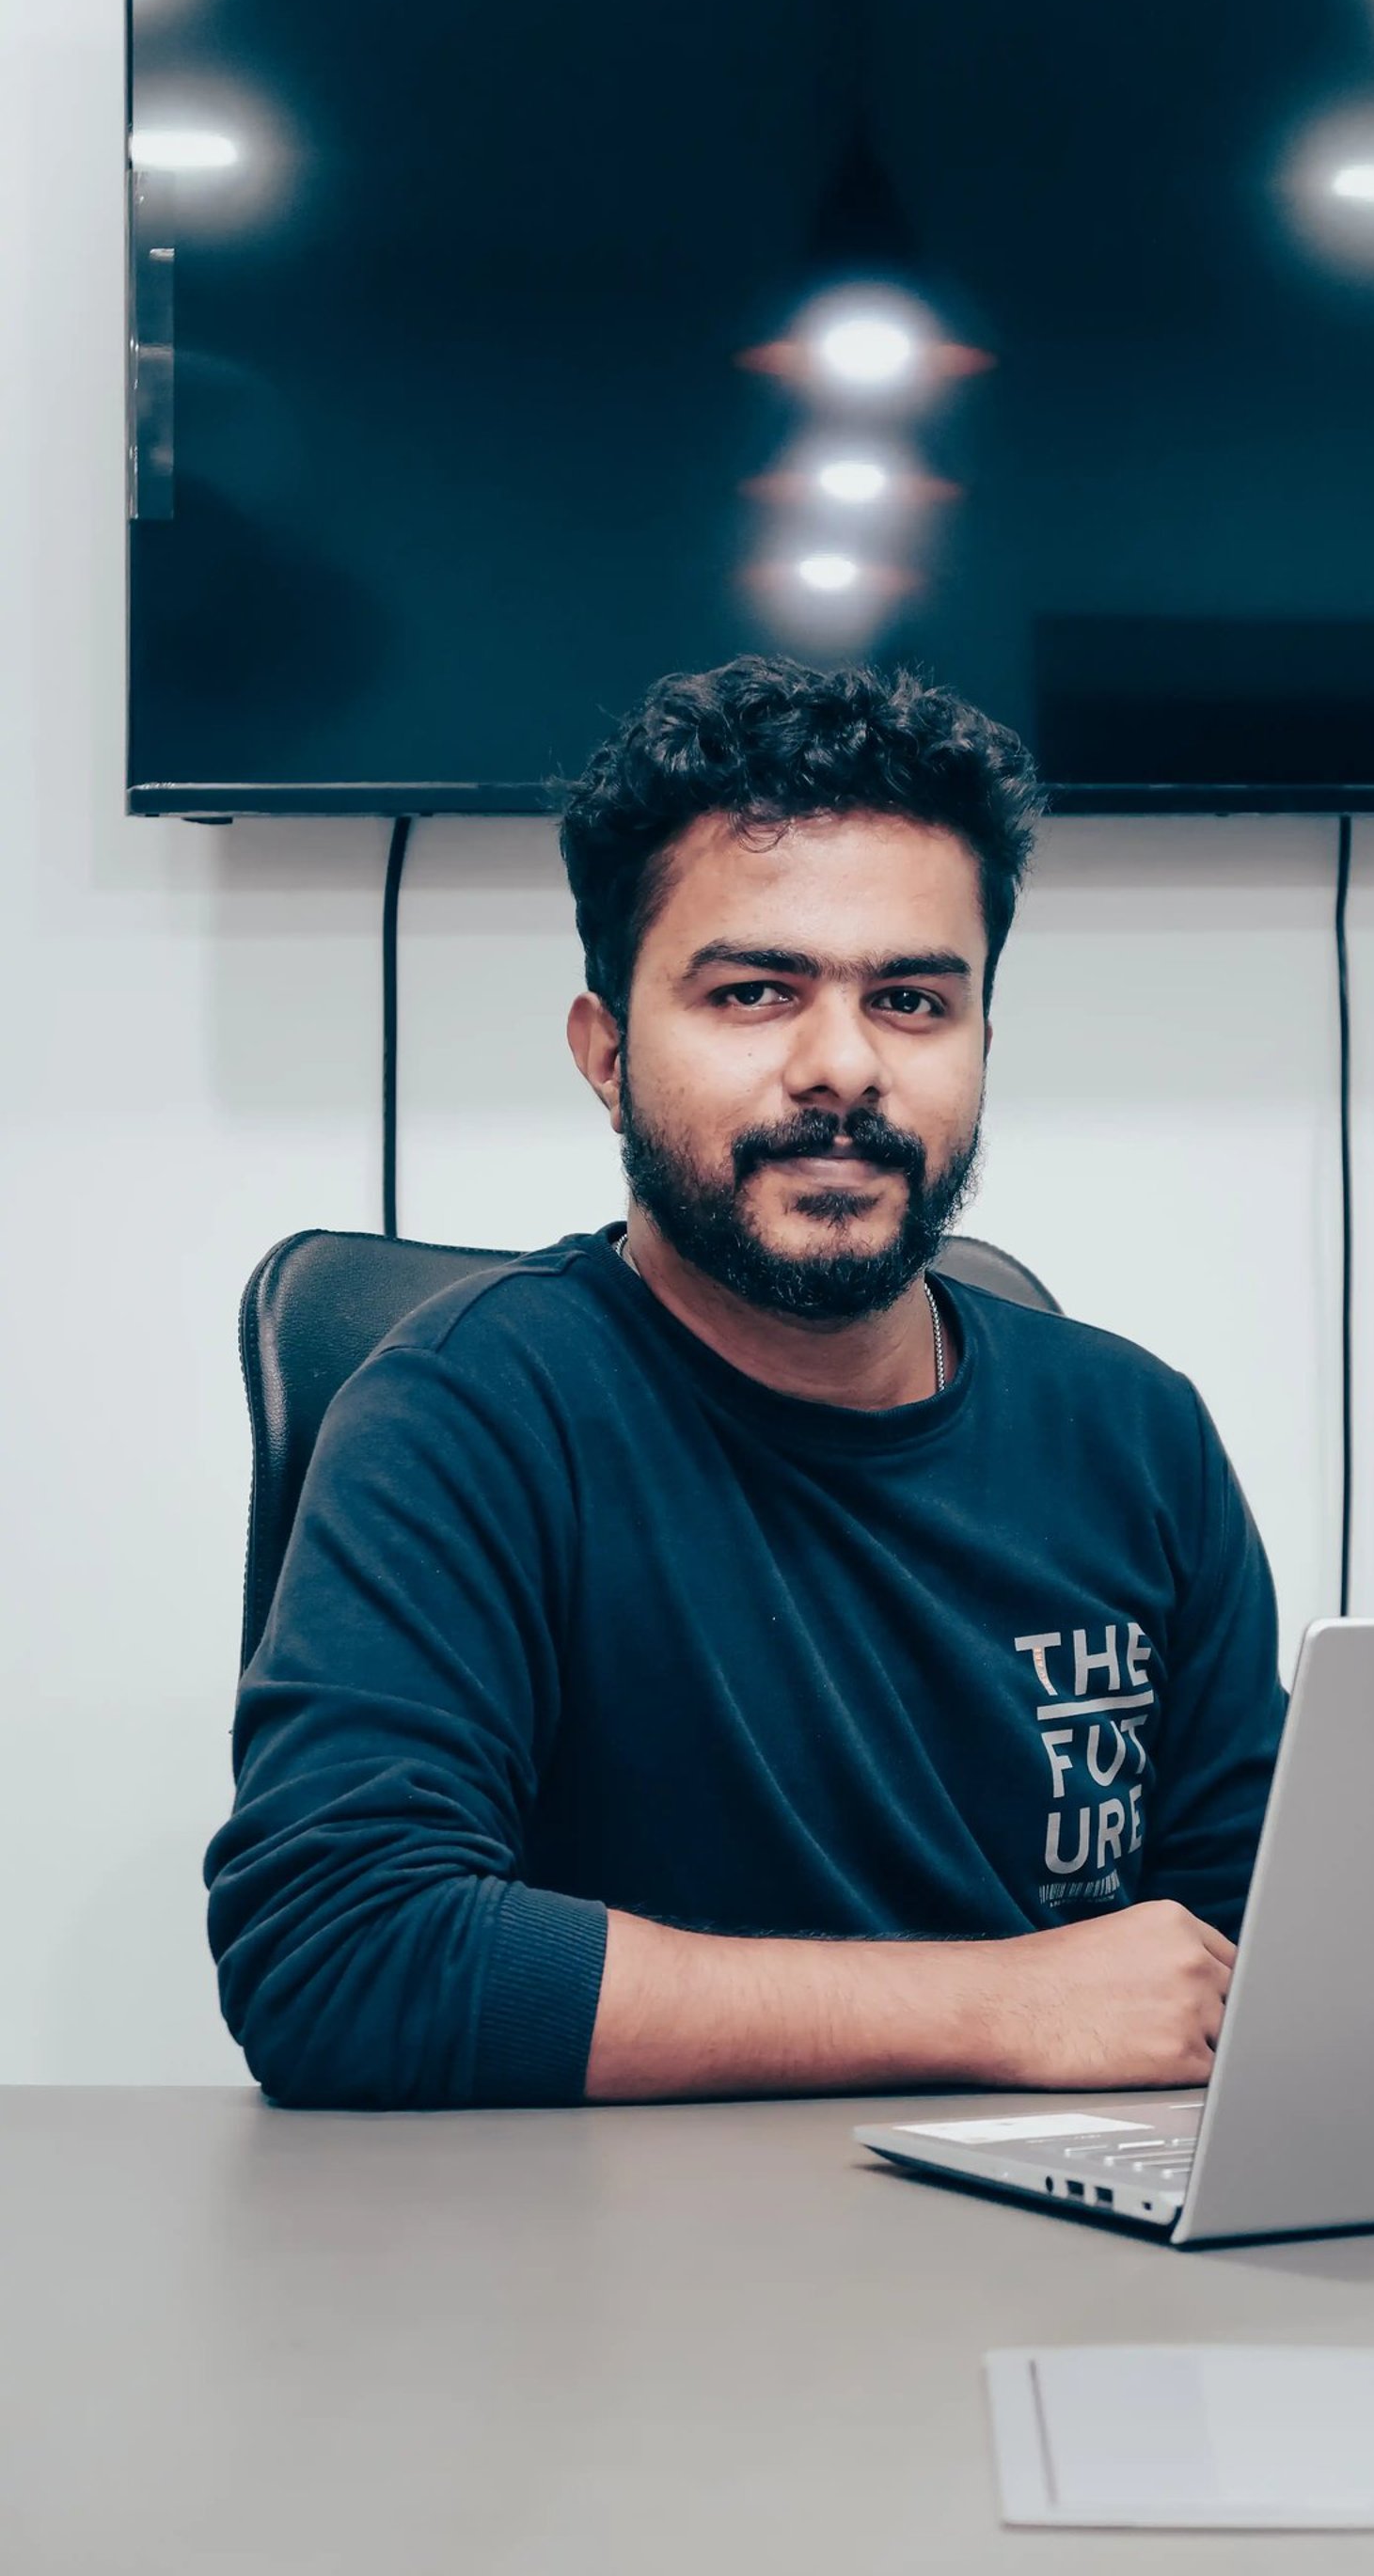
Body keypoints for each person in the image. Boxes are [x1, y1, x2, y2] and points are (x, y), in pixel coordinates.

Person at [205, 652, 1287, 2109]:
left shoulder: (1137, 1433)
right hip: (603, 2275)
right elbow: (339, 1957)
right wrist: (995, 2004)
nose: (840, 1067)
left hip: (1061, 2255)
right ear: (606, 1053)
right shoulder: (464, 1411)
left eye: (911, 1000)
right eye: (755, 992)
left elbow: (1254, 1958)